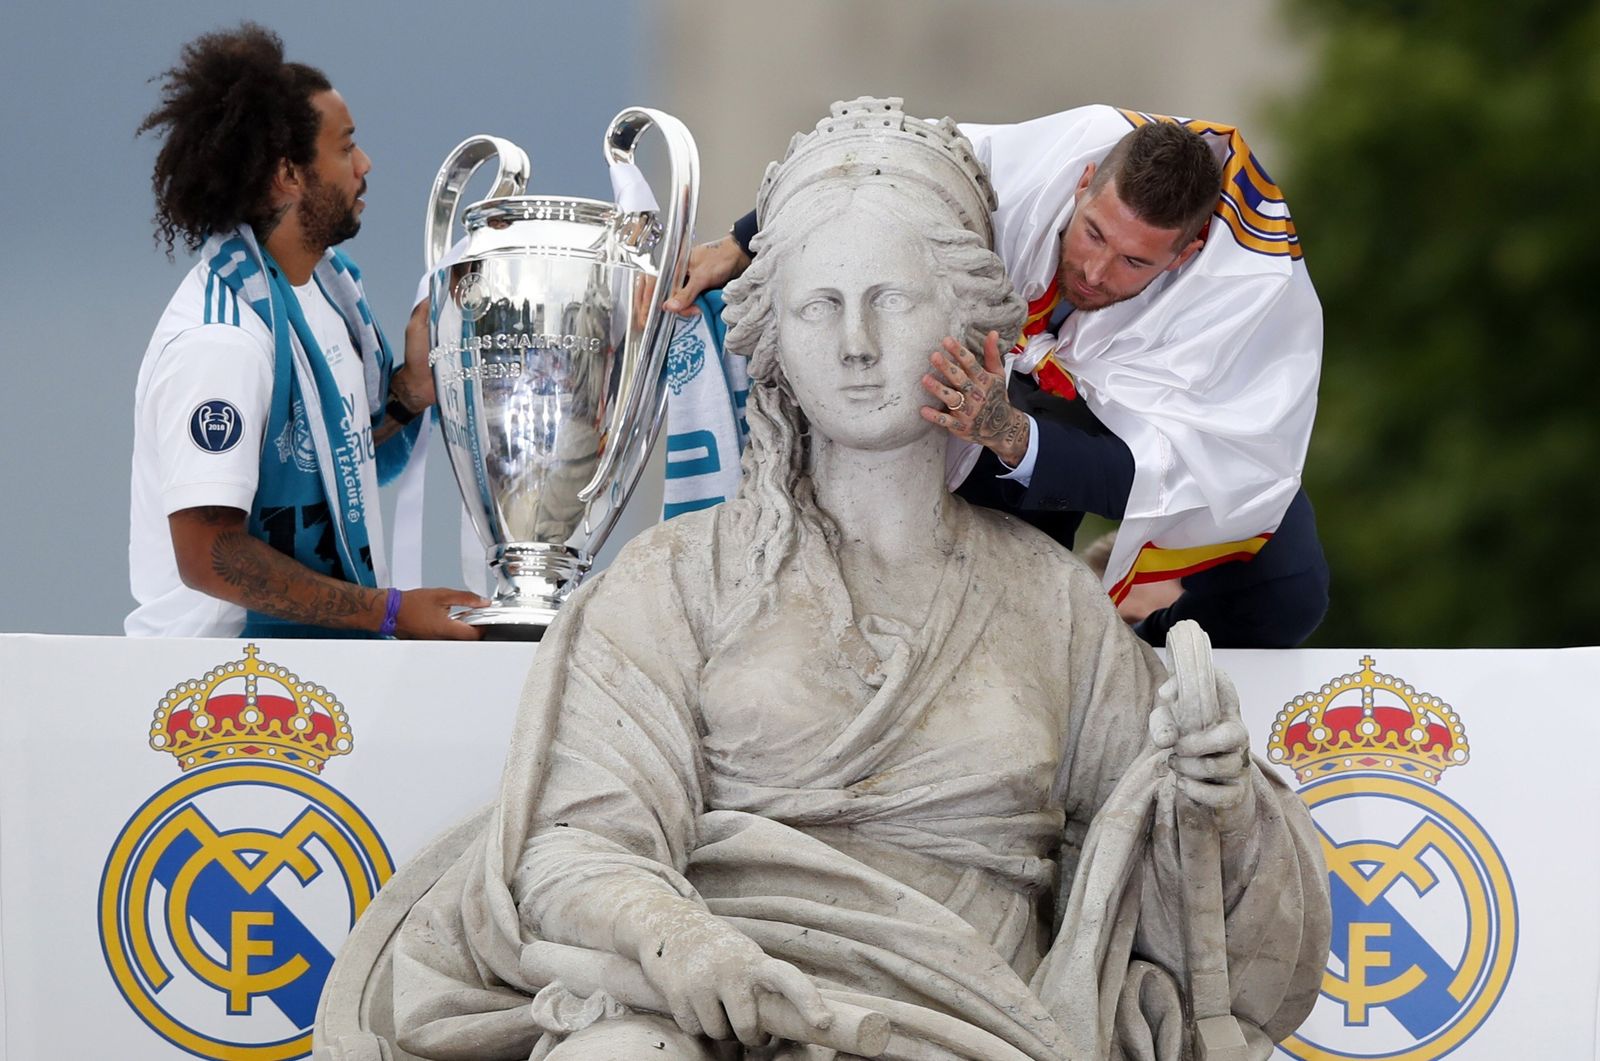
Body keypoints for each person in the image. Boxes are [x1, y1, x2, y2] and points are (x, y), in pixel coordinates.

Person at [388, 99, 1328, 1061]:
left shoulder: (1056, 602)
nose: (856, 345)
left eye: (893, 299)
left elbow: (1186, 899)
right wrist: (686, 946)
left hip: (969, 1017)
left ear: (967, 321)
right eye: (817, 305)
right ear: (778, 340)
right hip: (714, 1006)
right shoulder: (677, 578)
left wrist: (1217, 801)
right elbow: (575, 847)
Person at [667, 105, 1329, 649]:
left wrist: (1011, 433)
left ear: (1186, 254)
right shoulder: (1038, 162)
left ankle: (1131, 652)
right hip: (1002, 380)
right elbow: (878, 159)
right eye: (1093, 233)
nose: (1097, 272)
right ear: (1084, 180)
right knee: (996, 481)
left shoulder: (1242, 306)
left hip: (1123, 426)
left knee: (1291, 585)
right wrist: (742, 239)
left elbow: (1159, 478)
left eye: (1134, 260)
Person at [125, 23, 484, 639]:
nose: (365, 165)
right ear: (289, 174)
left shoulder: (326, 293)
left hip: (317, 679)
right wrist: (390, 612)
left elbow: (332, 461)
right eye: (346, 148)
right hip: (217, 692)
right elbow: (208, 552)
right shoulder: (223, 340)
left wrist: (409, 395)